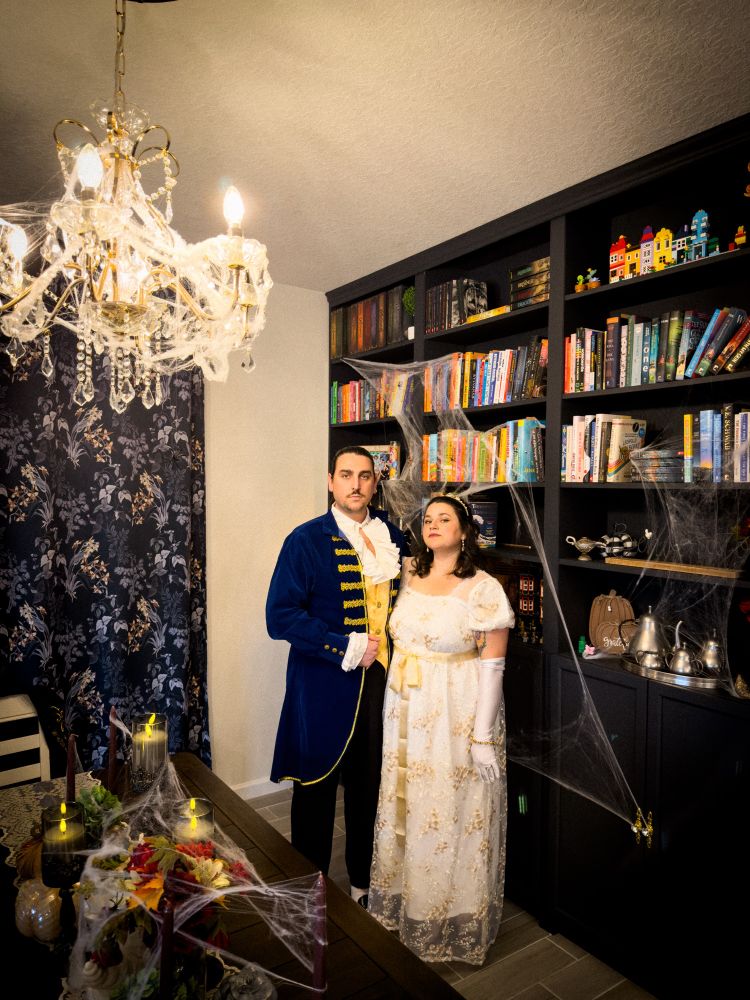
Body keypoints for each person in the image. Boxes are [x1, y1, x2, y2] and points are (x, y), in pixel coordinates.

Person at [368, 494, 514, 965]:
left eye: (444, 519)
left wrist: (482, 736)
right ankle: (405, 902)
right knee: (406, 802)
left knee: (449, 807)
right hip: (405, 706)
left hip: (454, 710)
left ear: (465, 531)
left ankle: (450, 913)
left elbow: (493, 668)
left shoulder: (483, 588)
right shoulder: (409, 573)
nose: (433, 525)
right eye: (428, 519)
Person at [266, 446, 410, 907]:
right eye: (346, 475)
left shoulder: (393, 536)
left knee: (371, 788)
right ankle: (310, 891)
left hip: (380, 687)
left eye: (365, 476)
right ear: (331, 481)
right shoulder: (306, 540)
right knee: (316, 791)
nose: (356, 484)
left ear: (374, 482)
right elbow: (280, 617)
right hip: (322, 686)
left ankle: (364, 886)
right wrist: (341, 644)